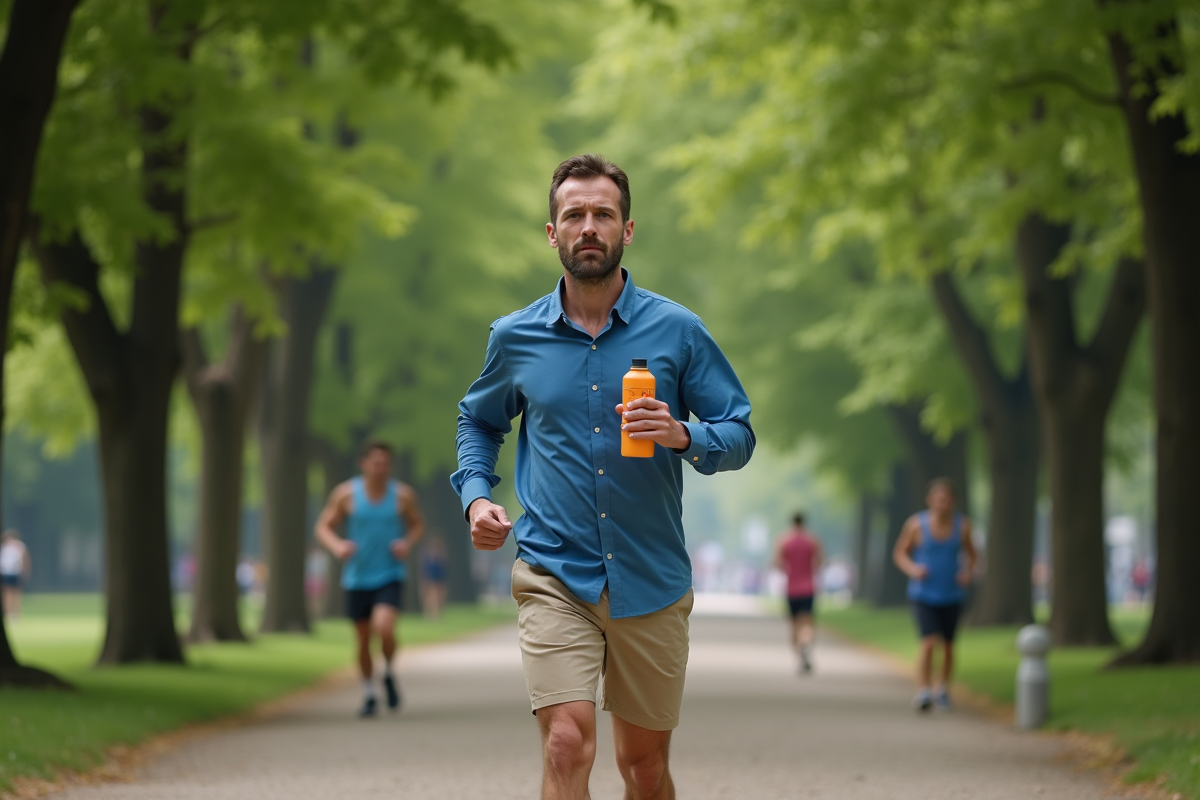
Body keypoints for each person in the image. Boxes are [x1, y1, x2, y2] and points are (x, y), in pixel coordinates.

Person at [453, 154, 755, 800]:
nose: (588, 226)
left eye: (602, 214)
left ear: (628, 229)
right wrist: (476, 497)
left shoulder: (678, 331)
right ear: (552, 232)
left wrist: (683, 434)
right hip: (554, 571)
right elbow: (479, 422)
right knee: (566, 745)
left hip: (650, 576)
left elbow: (739, 432)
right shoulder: (514, 338)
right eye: (574, 215)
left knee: (643, 768)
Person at [315, 440, 425, 717]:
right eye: (375, 463)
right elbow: (323, 527)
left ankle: (387, 671)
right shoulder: (346, 495)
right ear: (363, 464)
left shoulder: (402, 496)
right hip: (357, 576)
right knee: (363, 639)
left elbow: (417, 524)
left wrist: (406, 543)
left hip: (389, 573)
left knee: (384, 628)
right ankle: (368, 694)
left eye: (386, 463)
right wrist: (338, 546)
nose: (381, 468)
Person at [892, 477, 977, 713]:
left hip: (952, 594)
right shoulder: (916, 525)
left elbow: (972, 554)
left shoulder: (963, 526)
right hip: (923, 593)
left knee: (949, 645)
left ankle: (942, 688)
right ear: (930, 500)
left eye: (947, 499)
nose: (942, 503)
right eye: (938, 498)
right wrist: (913, 569)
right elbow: (900, 554)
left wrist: (967, 572)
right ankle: (923, 690)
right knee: (928, 642)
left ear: (953, 501)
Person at [773, 513, 822, 674]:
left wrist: (789, 568)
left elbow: (777, 564)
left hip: (792, 589)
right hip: (808, 588)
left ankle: (800, 654)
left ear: (791, 522)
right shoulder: (812, 540)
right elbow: (819, 562)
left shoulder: (784, 541)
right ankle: (806, 645)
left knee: (794, 624)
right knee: (806, 622)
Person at [0, 530, 30, 620]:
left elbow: (24, 558)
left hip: (15, 572)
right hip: (5, 572)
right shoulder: (4, 546)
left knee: (15, 594)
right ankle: (7, 613)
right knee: (6, 594)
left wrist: (25, 570)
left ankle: (16, 614)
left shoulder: (19, 545)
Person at [420, 536, 449, 619]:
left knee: (439, 597)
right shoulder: (427, 555)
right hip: (429, 579)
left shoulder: (441, 555)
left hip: (439, 579)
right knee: (430, 597)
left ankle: (438, 613)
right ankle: (430, 614)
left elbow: (443, 568)